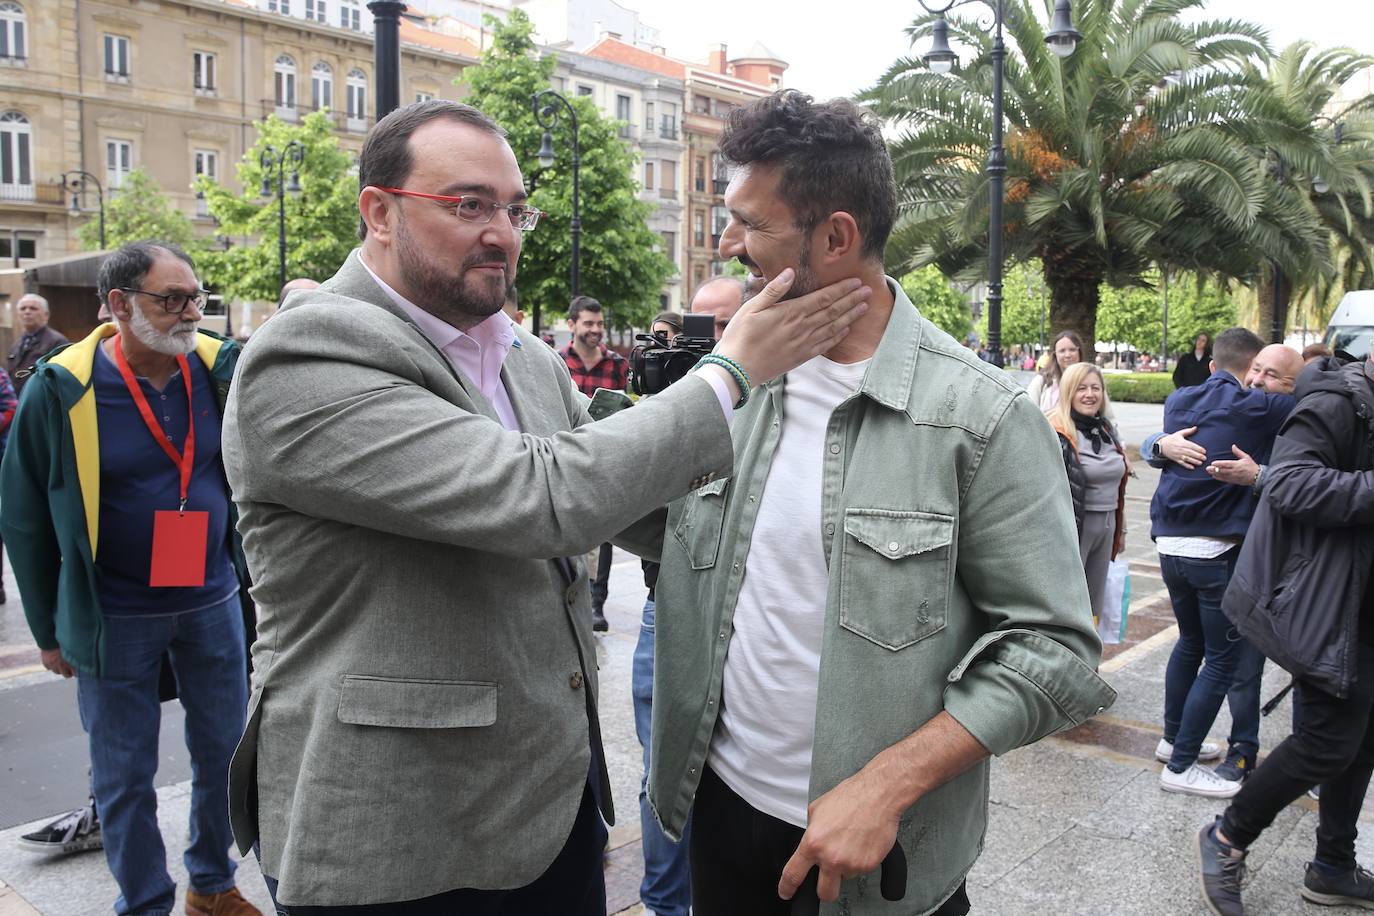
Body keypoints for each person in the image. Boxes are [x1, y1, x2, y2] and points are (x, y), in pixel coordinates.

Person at [220, 99, 870, 913]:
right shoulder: (305, 353)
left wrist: (849, 516)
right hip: (396, 832)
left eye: (514, 207)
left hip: (548, 809)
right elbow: (543, 497)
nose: (501, 230)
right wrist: (730, 373)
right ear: (378, 212)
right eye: (468, 204)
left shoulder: (517, 354)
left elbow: (631, 504)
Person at [650, 90, 1115, 916]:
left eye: (750, 224)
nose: (728, 245)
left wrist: (887, 786)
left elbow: (1053, 650)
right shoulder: (735, 382)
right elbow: (640, 512)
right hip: (718, 814)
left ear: (835, 238)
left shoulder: (980, 415)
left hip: (876, 857)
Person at [1, 242, 259, 916]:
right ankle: (144, 903)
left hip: (213, 599)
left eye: (196, 298)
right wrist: (50, 631)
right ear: (118, 305)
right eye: (171, 299)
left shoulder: (218, 371)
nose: (191, 314)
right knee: (123, 775)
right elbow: (23, 517)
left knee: (225, 756)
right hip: (115, 611)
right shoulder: (62, 387)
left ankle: (211, 883)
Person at [1197, 347, 1374, 915]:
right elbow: (1291, 485)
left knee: (1361, 740)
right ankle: (1227, 837)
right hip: (1329, 607)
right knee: (1327, 741)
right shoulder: (1335, 405)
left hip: (1364, 605)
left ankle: (1332, 866)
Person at [1142, 342, 1305, 782]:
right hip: (1219, 554)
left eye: (1273, 376)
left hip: (1188, 546)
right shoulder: (1261, 406)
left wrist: (1157, 443)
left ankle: (1177, 741)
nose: (1259, 382)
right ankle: (1183, 762)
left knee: (1196, 646)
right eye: (1257, 371)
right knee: (1222, 661)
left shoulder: (1184, 398)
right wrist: (1157, 444)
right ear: (1244, 367)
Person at [560, 294, 629, 632]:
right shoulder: (557, 363)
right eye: (588, 323)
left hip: (603, 459)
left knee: (602, 535)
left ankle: (595, 601)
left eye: (599, 324)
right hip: (565, 458)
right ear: (571, 325)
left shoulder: (617, 365)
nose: (596, 330)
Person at [1046, 363, 1129, 629]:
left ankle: (1087, 661)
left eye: (1095, 388)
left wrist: (1122, 529)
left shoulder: (1106, 429)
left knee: (1094, 602)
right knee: (1067, 601)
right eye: (1081, 388)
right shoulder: (1056, 431)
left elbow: (1119, 481)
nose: (1089, 394)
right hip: (1074, 526)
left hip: (1107, 526)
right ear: (1069, 391)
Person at [7, 293, 70, 395]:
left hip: (41, 401)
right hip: (18, 401)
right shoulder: (17, 342)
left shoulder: (58, 341)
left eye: (33, 308)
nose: (27, 312)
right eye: (23, 309)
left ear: (46, 315)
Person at [1025, 330, 1084, 410]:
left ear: (1079, 352)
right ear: (1055, 354)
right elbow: (1028, 411)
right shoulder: (1042, 381)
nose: (1067, 355)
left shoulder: (1092, 379)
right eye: (1062, 351)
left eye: (1072, 350)